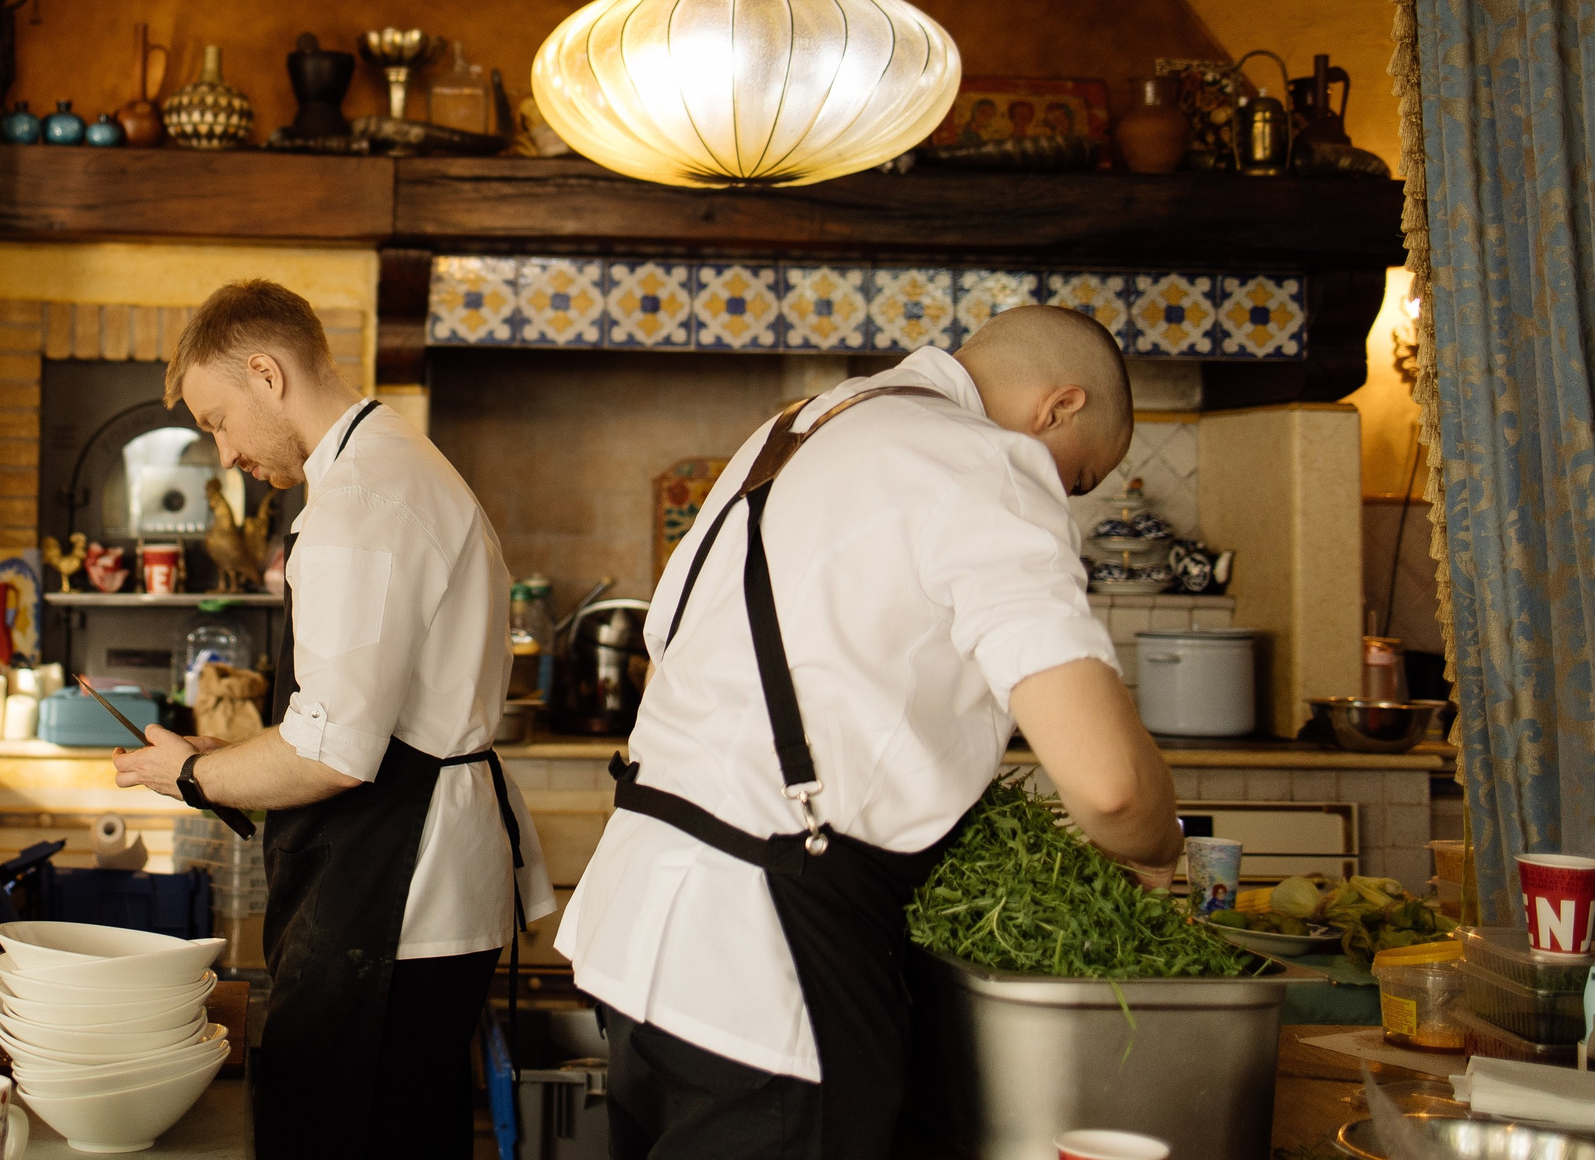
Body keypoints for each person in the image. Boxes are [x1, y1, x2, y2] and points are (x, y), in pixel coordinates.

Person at [558, 304, 1181, 1160]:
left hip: (632, 925)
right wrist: (1155, 851)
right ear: (1059, 407)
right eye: (1081, 478)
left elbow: (664, 657)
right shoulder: (987, 461)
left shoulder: (794, 430)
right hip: (765, 960)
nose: (1067, 493)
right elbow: (1110, 786)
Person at [110, 280, 554, 1160]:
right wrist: (235, 752)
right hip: (411, 877)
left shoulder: (361, 502)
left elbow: (336, 752)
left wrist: (189, 774)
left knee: (339, 1133)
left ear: (267, 374)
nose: (225, 451)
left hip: (399, 896)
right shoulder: (390, 465)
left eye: (218, 419)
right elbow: (351, 721)